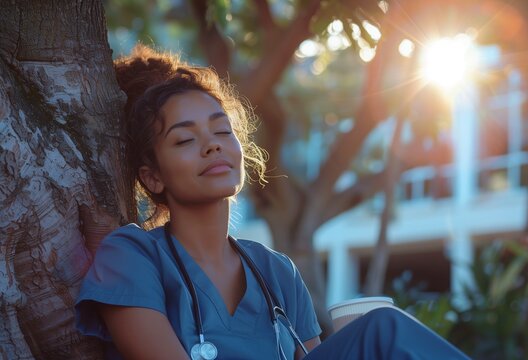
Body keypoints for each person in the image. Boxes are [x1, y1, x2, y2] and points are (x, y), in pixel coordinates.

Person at [75, 44, 470, 360]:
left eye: (221, 131)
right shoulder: (130, 256)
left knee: (380, 333)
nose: (212, 145)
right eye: (184, 139)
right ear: (152, 176)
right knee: (384, 328)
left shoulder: (276, 271)